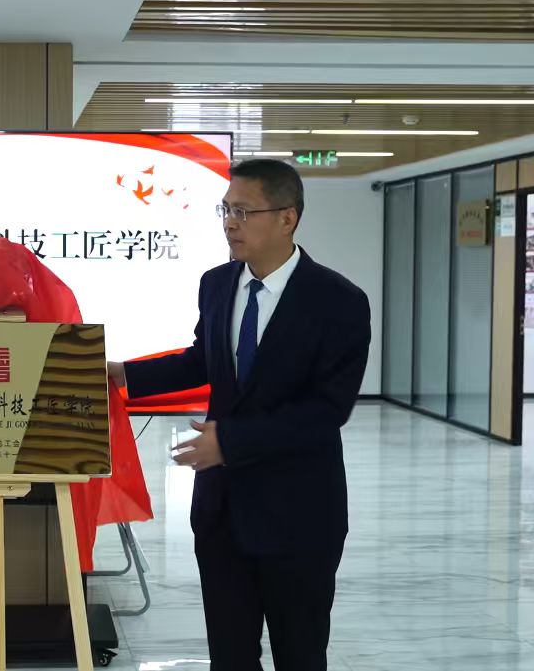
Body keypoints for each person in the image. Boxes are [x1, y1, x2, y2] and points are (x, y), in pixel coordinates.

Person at [109, 159, 370, 671]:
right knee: (229, 656)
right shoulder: (217, 283)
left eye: (244, 212)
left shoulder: (338, 301)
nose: (230, 223)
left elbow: (327, 410)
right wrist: (124, 374)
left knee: (300, 653)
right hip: (222, 512)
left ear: (287, 218)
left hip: (299, 514)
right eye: (225, 210)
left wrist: (229, 442)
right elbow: (201, 359)